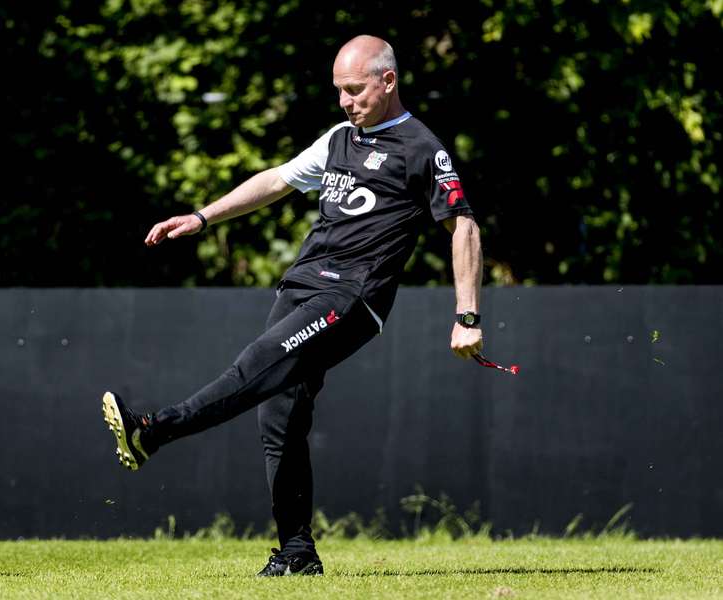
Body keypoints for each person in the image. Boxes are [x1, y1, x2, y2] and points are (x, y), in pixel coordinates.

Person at [101, 34, 483, 576]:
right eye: (339, 92)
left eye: (355, 91)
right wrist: (203, 216)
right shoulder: (338, 139)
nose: (346, 103)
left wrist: (466, 315)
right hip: (301, 286)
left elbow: (462, 224)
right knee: (278, 416)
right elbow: (277, 180)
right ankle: (298, 554)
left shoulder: (423, 148)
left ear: (388, 81)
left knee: (256, 364)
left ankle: (155, 429)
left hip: (350, 298)